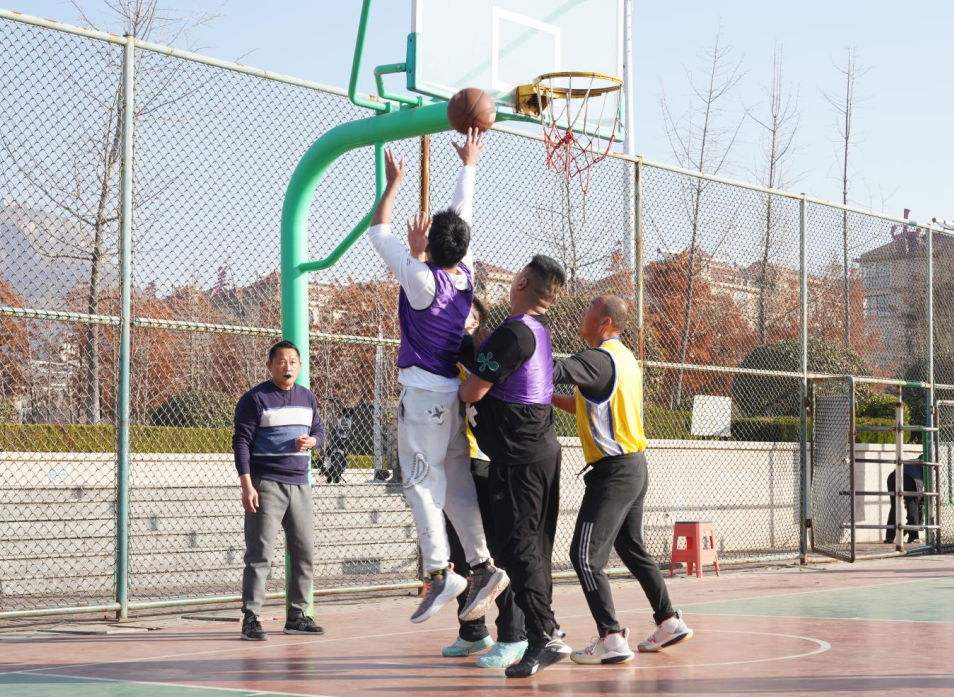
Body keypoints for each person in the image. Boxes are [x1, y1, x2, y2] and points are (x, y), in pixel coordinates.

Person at [367, 130, 509, 624]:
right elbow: (463, 214)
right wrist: (469, 164)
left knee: (421, 484)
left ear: (429, 243)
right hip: (450, 396)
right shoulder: (464, 273)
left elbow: (378, 231)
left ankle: (438, 570)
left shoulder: (420, 278)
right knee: (457, 486)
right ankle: (483, 565)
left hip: (424, 394)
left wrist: (393, 185)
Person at [550, 295, 692, 663]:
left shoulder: (597, 358)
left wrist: (516, 352)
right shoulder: (623, 359)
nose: (582, 312)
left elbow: (552, 370)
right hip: (633, 466)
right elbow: (584, 405)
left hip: (614, 472)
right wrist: (547, 398)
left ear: (605, 322)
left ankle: (611, 638)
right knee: (630, 546)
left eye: (589, 309)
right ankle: (669, 621)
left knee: (584, 556)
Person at [459, 254, 570, 679]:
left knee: (517, 551)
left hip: (518, 458)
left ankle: (543, 634)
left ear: (521, 281)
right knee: (533, 550)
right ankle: (546, 630)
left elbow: (471, 392)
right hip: (541, 452)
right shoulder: (538, 330)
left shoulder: (513, 332)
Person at [443, 298, 529, 668]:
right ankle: (473, 631)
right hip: (448, 467)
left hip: (479, 461)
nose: (454, 321)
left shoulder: (480, 357)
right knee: (460, 554)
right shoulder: (441, 355)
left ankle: (514, 635)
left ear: (477, 325)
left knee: (493, 556)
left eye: (465, 317)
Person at [232, 340, 325, 641]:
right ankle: (251, 618)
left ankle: (297, 616)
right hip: (266, 484)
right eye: (282, 361)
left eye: (293, 362)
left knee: (304, 553)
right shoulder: (255, 398)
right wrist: (247, 485)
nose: (288, 367)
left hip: (300, 485)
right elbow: (241, 442)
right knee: (260, 554)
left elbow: (319, 430)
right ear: (269, 365)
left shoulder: (307, 397)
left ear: (300, 366)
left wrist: (313, 441)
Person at [884, 465, 925, 544]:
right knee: (912, 507)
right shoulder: (925, 467)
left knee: (895, 507)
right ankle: (913, 536)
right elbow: (918, 500)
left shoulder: (913, 463)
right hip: (910, 479)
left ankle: (889, 537)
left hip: (893, 476)